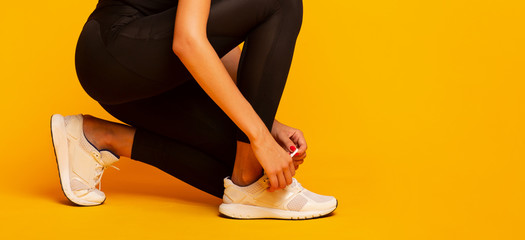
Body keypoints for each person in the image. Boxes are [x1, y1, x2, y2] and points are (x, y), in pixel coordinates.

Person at [49, 0, 337, 219]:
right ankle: (250, 188)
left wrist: (268, 124)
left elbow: (211, 36)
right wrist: (259, 137)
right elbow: (188, 41)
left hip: (137, 67)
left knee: (243, 171)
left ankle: (97, 136)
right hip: (114, 56)